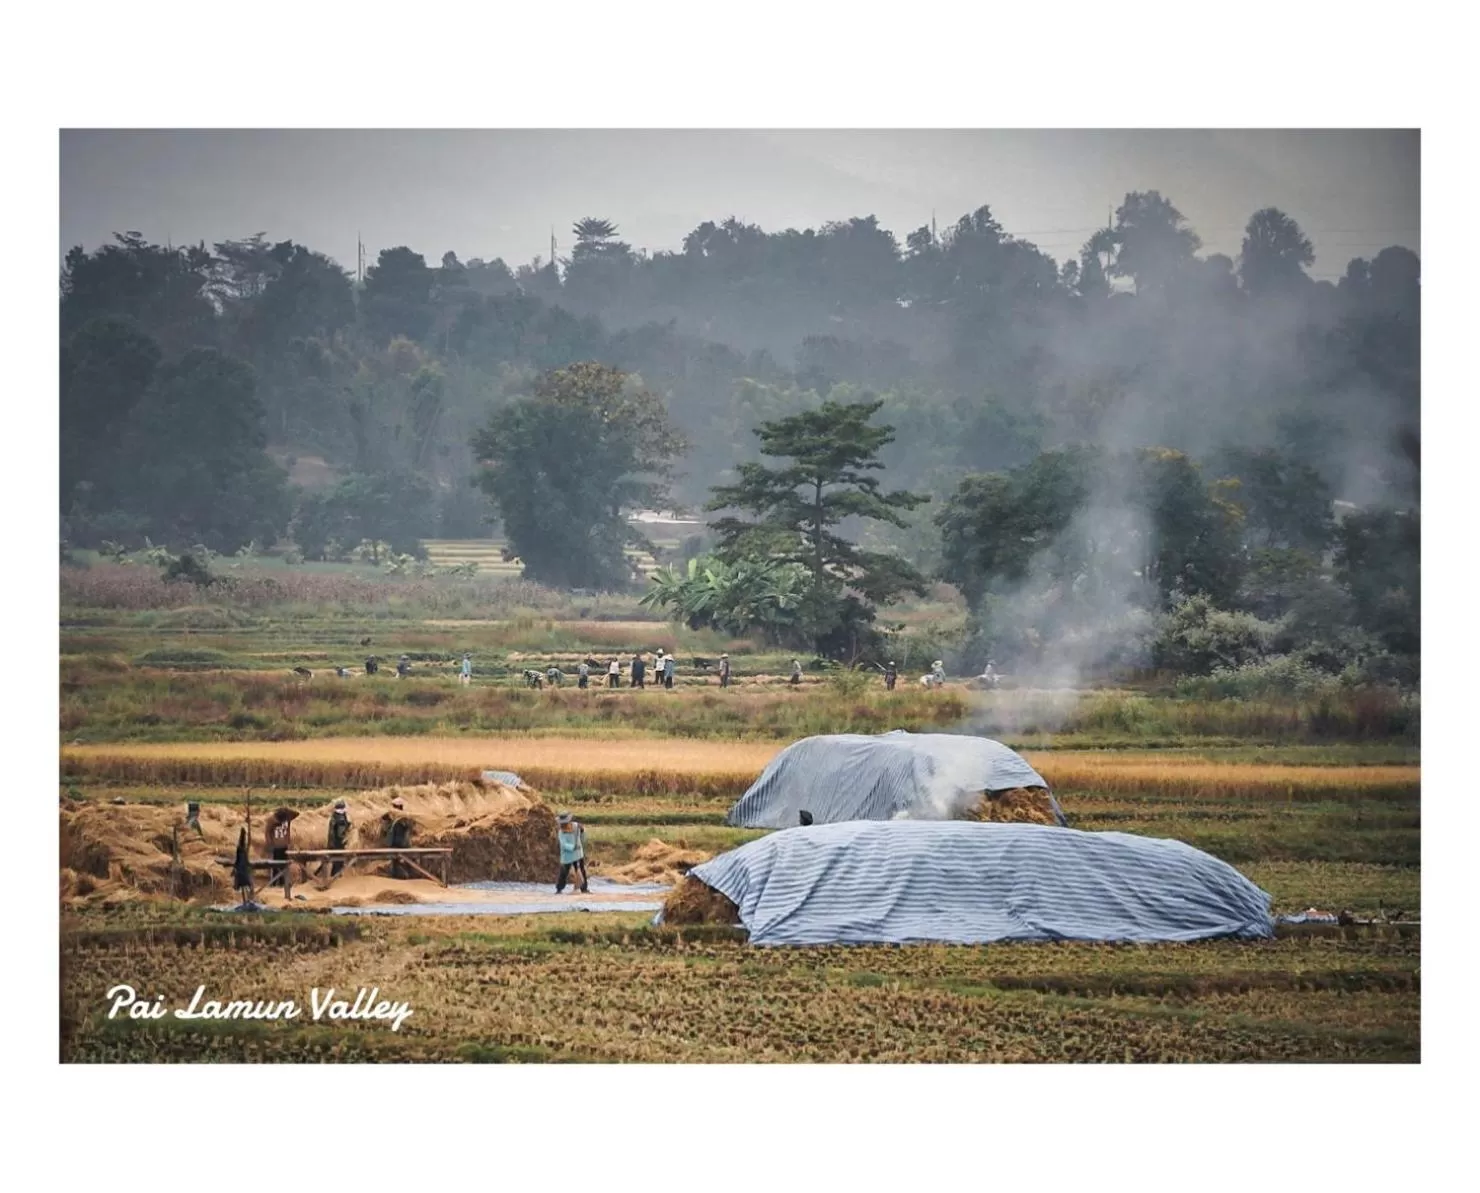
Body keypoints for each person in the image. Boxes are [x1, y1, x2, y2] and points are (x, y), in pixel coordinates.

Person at [554, 812, 589, 894]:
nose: (564, 825)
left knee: (581, 870)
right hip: (567, 856)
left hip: (578, 854)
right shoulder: (561, 832)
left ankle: (584, 888)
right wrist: (572, 847)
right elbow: (563, 844)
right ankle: (559, 889)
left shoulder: (576, 827)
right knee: (564, 872)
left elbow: (583, 837)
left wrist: (583, 831)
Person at [264, 807, 298, 887]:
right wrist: (270, 844)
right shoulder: (271, 820)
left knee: (284, 865)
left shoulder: (287, 819)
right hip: (276, 847)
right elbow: (267, 833)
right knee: (276, 866)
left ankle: (283, 883)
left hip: (285, 846)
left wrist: (287, 810)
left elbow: (296, 814)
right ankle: (274, 883)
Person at [385, 796, 413, 879]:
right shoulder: (394, 817)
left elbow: (406, 828)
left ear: (399, 807)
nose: (393, 808)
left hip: (401, 844)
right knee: (395, 862)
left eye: (395, 806)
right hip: (395, 844)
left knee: (401, 861)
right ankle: (396, 876)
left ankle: (405, 876)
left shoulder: (403, 818)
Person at [324, 799, 351, 879]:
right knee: (338, 862)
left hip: (334, 844)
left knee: (337, 863)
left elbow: (331, 833)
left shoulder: (334, 817)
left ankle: (335, 877)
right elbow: (340, 833)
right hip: (338, 844)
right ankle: (335, 878)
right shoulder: (341, 819)